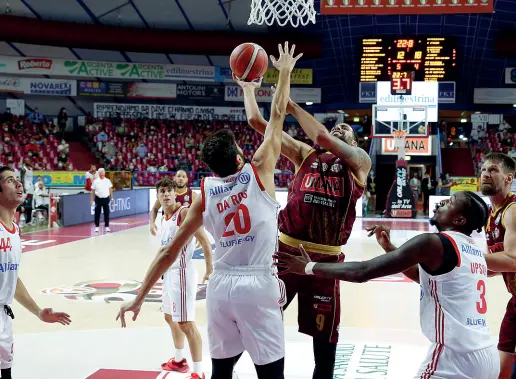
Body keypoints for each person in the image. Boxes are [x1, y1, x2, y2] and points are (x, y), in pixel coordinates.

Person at [116, 41, 302, 379]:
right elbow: (273, 118)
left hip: (219, 288)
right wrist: (285, 72)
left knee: (221, 373)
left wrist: (139, 297)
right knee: (271, 374)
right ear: (237, 159)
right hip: (257, 284)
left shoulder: (204, 194)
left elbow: (169, 252)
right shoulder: (258, 170)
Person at [238, 56, 371, 379]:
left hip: (325, 263)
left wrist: (292, 105)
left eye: (346, 131)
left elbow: (324, 136)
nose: (339, 130)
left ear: (352, 143)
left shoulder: (359, 163)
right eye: (336, 126)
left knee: (324, 346)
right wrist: (248, 89)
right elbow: (259, 122)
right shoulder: (303, 153)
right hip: (284, 253)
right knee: (259, 324)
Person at [275, 191, 499, 379]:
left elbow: (362, 271)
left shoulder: (433, 242)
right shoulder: (474, 251)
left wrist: (308, 267)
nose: (441, 203)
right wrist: (389, 247)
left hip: (454, 356)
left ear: (459, 220)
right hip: (486, 355)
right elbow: (426, 278)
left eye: (450, 202)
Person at [0, 166, 71, 379]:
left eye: (18, 179)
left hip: (4, 315)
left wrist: (38, 312)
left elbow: (11, 280)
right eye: (10, 180)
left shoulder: (15, 230)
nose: (19, 184)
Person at [155, 176, 213, 377]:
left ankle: (199, 372)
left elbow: (205, 241)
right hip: (168, 275)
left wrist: (209, 268)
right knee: (169, 317)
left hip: (181, 274)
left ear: (175, 193)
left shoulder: (184, 213)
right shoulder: (164, 217)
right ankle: (179, 360)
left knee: (186, 323)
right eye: (162, 192)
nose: (166, 194)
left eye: (169, 190)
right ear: (158, 196)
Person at [477, 153, 516, 379]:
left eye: (492, 170)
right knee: (502, 367)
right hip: (515, 301)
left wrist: (465, 255)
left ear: (509, 178)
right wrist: (465, 271)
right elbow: (500, 265)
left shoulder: (512, 210)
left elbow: (512, 260)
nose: (485, 174)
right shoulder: (492, 215)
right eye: (483, 170)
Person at [150, 170, 196, 236]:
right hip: (168, 229)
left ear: (187, 179)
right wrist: (152, 223)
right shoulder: (165, 195)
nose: (181, 178)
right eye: (178, 176)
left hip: (186, 232)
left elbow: (199, 214)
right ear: (174, 178)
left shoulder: (192, 195)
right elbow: (154, 208)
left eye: (183, 177)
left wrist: (199, 231)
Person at [89, 168, 114, 233]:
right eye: (100, 173)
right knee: (97, 213)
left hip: (106, 199)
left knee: (107, 213)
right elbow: (92, 191)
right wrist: (91, 200)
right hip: (98, 199)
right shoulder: (95, 181)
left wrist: (112, 198)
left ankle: (107, 226)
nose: (101, 174)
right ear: (98, 174)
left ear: (104, 173)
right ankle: (97, 226)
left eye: (102, 173)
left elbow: (110, 190)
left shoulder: (107, 181)